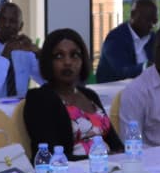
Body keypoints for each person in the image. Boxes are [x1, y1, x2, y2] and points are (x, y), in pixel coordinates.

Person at [23, 28, 122, 157]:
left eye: (74, 55)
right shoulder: (39, 99)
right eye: (59, 56)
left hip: (108, 169)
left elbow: (116, 145)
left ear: (83, 60)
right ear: (48, 61)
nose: (68, 62)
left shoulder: (89, 95)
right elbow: (52, 155)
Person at [96, 0, 158, 83]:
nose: (152, 25)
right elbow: (121, 71)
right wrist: (145, 67)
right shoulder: (116, 38)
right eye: (148, 20)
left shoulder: (153, 38)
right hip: (114, 91)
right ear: (133, 15)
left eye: (155, 21)